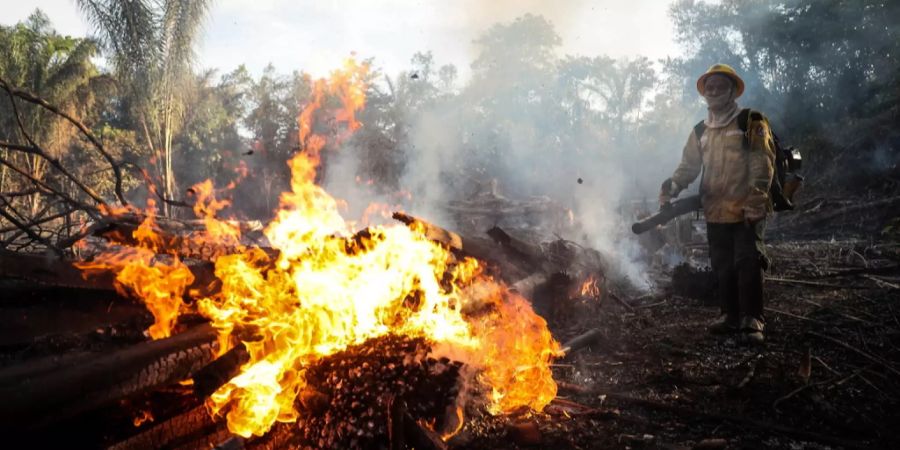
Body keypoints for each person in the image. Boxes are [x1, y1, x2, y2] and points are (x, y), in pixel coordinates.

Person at [659, 64, 775, 345]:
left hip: (746, 208)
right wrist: (670, 188)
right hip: (715, 211)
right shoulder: (701, 130)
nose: (713, 91)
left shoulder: (751, 121)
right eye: (708, 87)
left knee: (748, 262)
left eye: (719, 86)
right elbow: (688, 167)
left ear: (732, 90)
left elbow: (763, 162)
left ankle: (752, 319)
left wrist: (757, 200)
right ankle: (729, 316)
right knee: (723, 265)